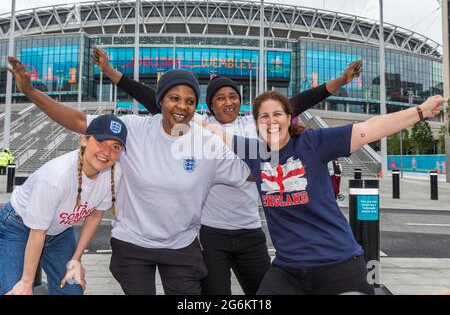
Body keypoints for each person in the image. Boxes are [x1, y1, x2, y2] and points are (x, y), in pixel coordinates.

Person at [92, 45, 362, 295]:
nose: (228, 102)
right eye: (220, 98)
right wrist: (110, 72)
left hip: (250, 229)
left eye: (233, 96)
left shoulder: (254, 125)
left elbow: (298, 102)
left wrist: (340, 81)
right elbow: (154, 99)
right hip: (212, 233)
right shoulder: (197, 125)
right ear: (210, 105)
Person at [8, 56, 251, 295]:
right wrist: (30, 91)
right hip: (132, 244)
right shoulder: (134, 129)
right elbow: (80, 120)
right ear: (160, 100)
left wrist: (285, 162)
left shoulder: (206, 143)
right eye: (174, 98)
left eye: (189, 101)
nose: (182, 106)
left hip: (180, 244)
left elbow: (247, 173)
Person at [198, 90, 445, 295]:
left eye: (277, 114)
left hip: (337, 264)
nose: (271, 121)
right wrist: (187, 116)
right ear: (255, 123)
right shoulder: (253, 151)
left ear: (289, 117)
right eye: (264, 116)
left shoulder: (313, 143)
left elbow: (370, 128)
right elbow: (216, 131)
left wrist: (420, 110)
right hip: (288, 270)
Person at [0, 114, 127, 295]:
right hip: (20, 226)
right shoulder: (56, 177)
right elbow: (38, 232)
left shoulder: (114, 172)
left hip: (58, 231)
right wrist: (26, 282)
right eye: (101, 142)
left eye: (115, 147)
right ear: (84, 140)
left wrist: (76, 260)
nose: (107, 152)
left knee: (72, 289)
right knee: (14, 291)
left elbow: (95, 215)